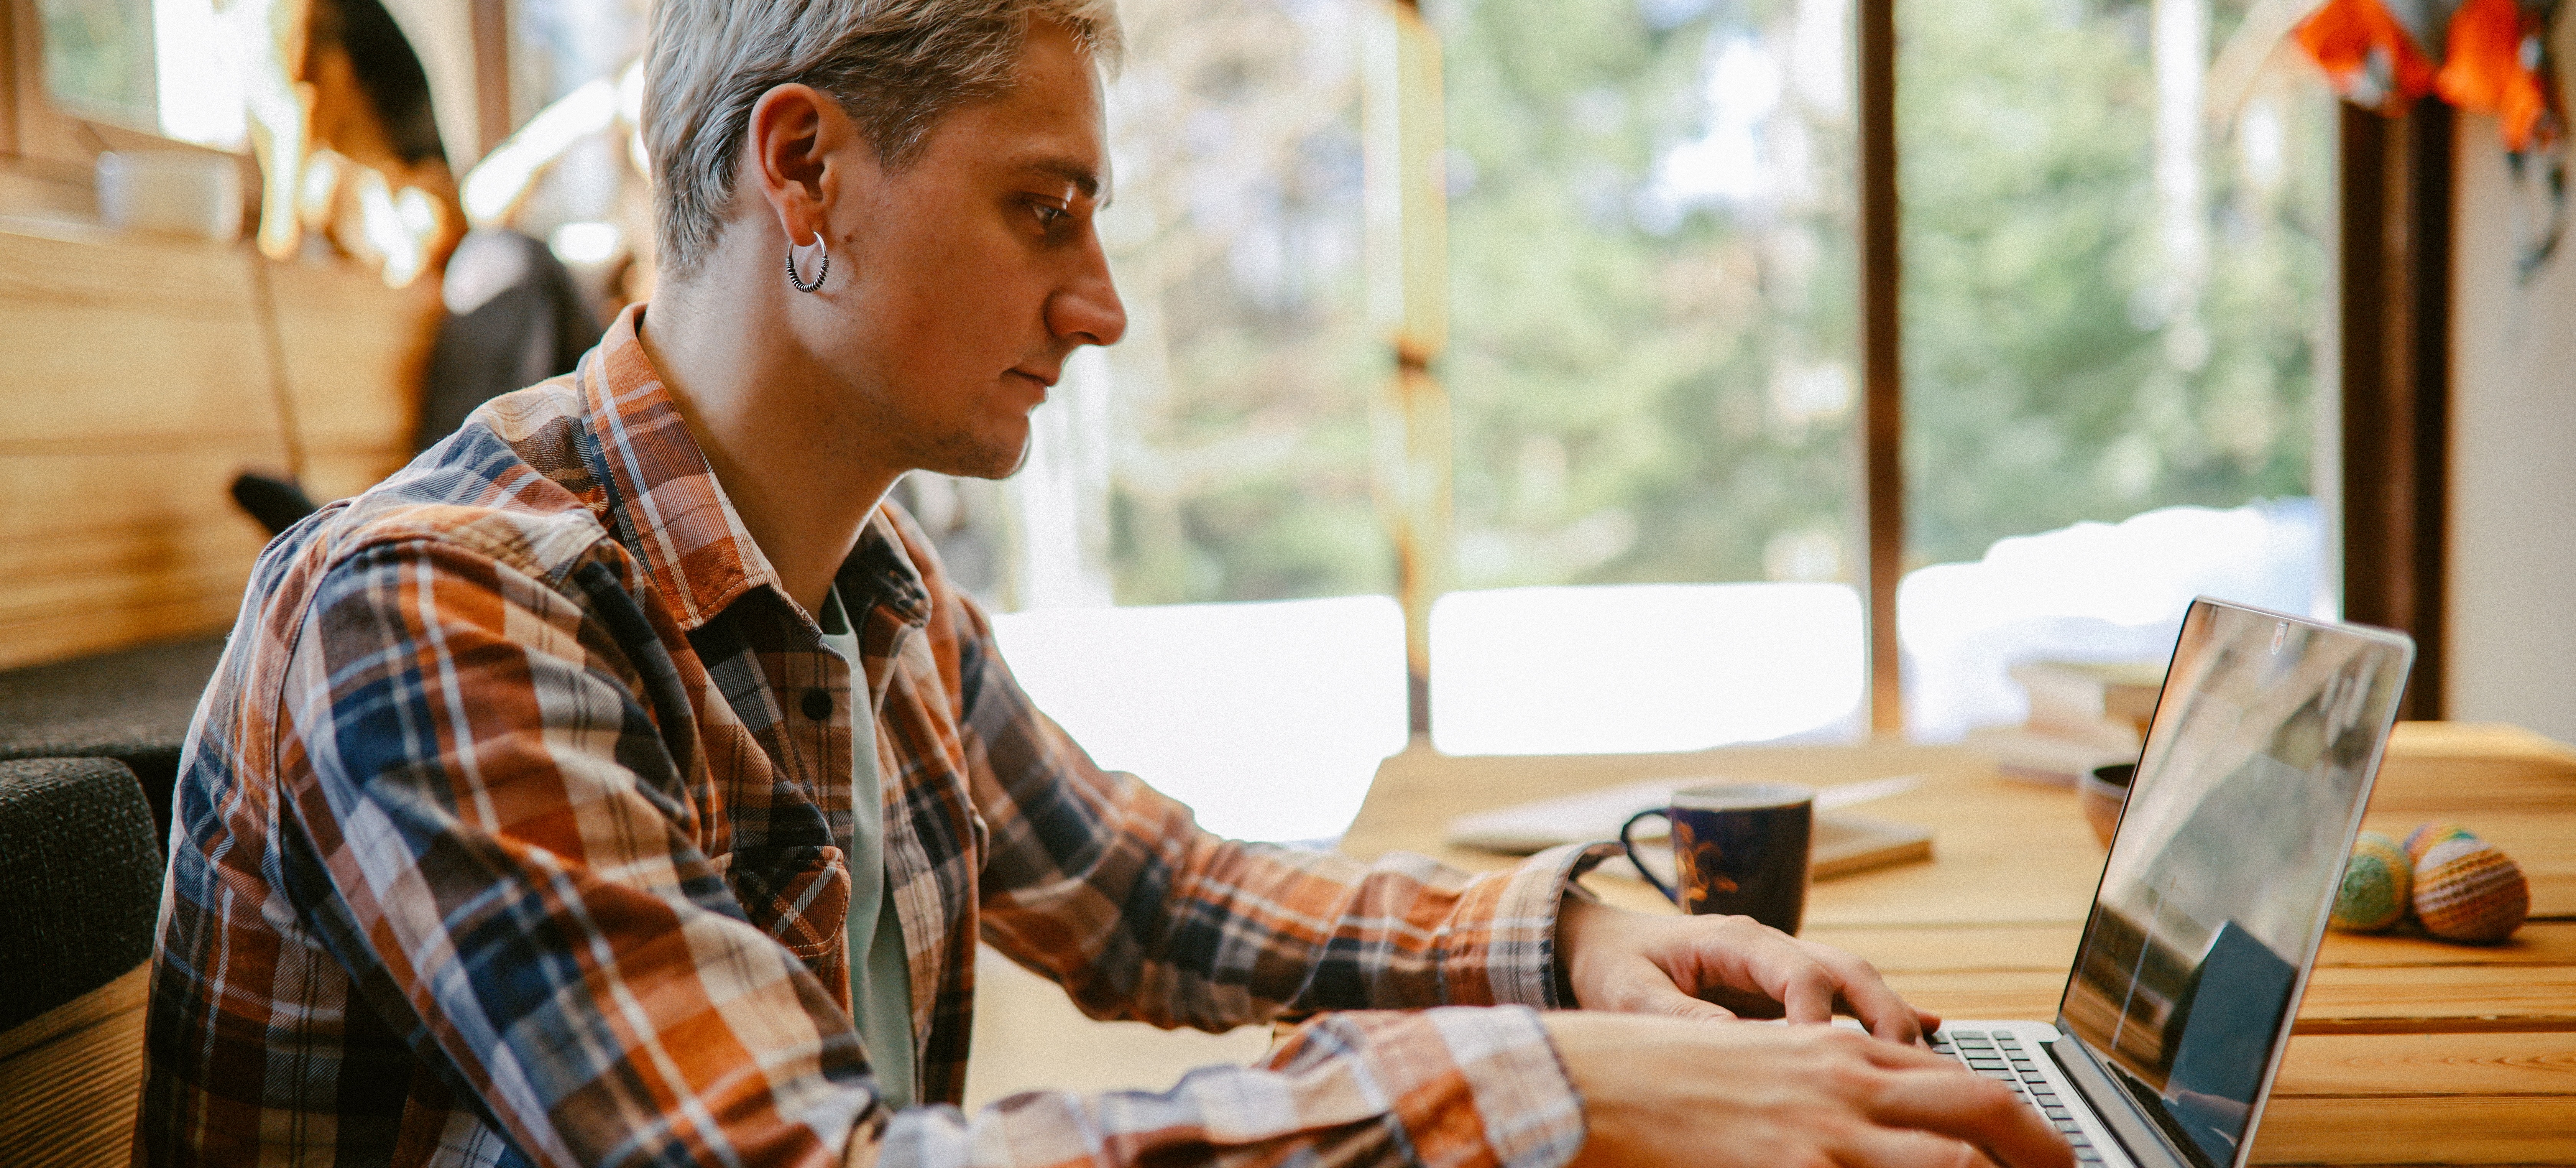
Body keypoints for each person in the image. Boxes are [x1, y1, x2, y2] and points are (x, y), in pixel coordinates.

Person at [136, 2, 2073, 1166]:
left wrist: (1569, 953)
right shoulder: (431, 615)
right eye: (1040, 212)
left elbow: (1147, 894)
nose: (1104, 303)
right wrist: (1556, 1099)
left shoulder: (864, 589)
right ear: (802, 173)